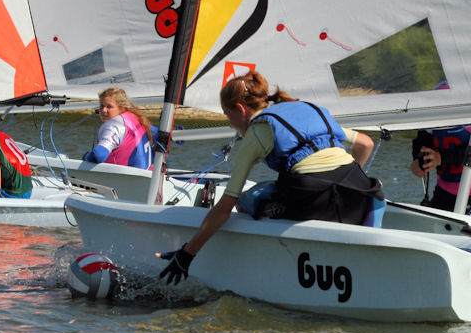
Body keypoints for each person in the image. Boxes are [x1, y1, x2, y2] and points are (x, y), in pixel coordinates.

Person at [157, 71, 382, 285]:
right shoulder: (305, 110)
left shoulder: (257, 133)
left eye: (227, 115)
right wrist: (341, 181)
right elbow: (366, 143)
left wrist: (187, 253)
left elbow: (225, 207)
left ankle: (271, 258)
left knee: (250, 198)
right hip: (359, 193)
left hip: (314, 201)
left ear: (239, 109)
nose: (229, 123)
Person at [410, 123, 471, 221]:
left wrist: (441, 157)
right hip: (444, 193)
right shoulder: (435, 113)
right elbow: (422, 139)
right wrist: (419, 160)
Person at [83, 87, 154, 169]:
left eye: (109, 107)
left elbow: (99, 155)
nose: (103, 110)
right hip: (147, 176)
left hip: (124, 179)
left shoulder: (114, 125)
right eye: (102, 106)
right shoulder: (137, 119)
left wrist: (86, 157)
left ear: (121, 108)